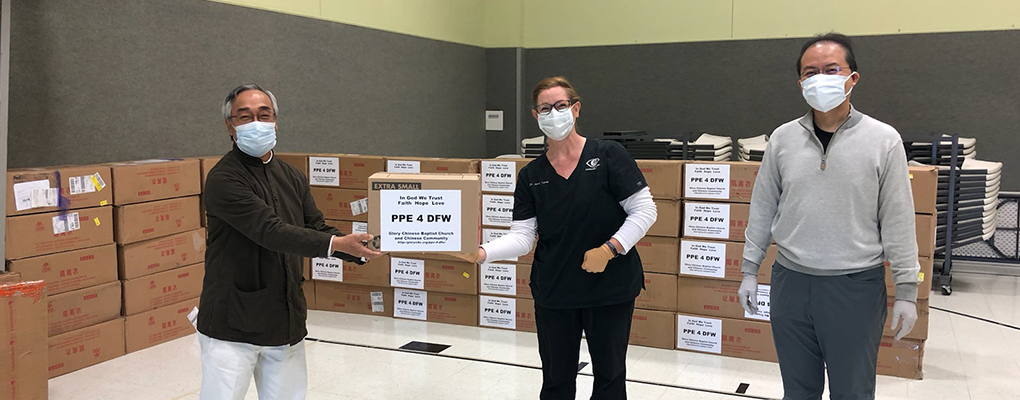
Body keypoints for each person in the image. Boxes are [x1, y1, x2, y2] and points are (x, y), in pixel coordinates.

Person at [737, 34, 920, 399]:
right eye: (810, 72)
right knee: (798, 389)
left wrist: (907, 292)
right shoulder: (782, 139)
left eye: (831, 70)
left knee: (852, 390)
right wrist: (748, 271)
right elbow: (762, 207)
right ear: (801, 83)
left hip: (854, 286)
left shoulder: (883, 140)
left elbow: (898, 218)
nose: (820, 78)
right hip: (791, 282)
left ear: (852, 78)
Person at [196, 84, 381, 400]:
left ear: (276, 121)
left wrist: (360, 249)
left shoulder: (292, 176)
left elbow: (316, 227)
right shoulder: (223, 179)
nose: (257, 122)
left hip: (285, 317)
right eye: (245, 116)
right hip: (232, 324)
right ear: (230, 125)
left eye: (264, 114)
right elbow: (271, 232)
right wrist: (338, 244)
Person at [477, 76, 657, 400]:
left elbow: (645, 211)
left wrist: (610, 249)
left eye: (561, 106)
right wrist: (481, 252)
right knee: (556, 380)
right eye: (546, 108)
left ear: (576, 109)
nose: (554, 113)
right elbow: (522, 237)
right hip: (555, 291)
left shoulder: (608, 156)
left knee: (610, 377)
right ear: (536, 115)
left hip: (610, 289)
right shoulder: (531, 175)